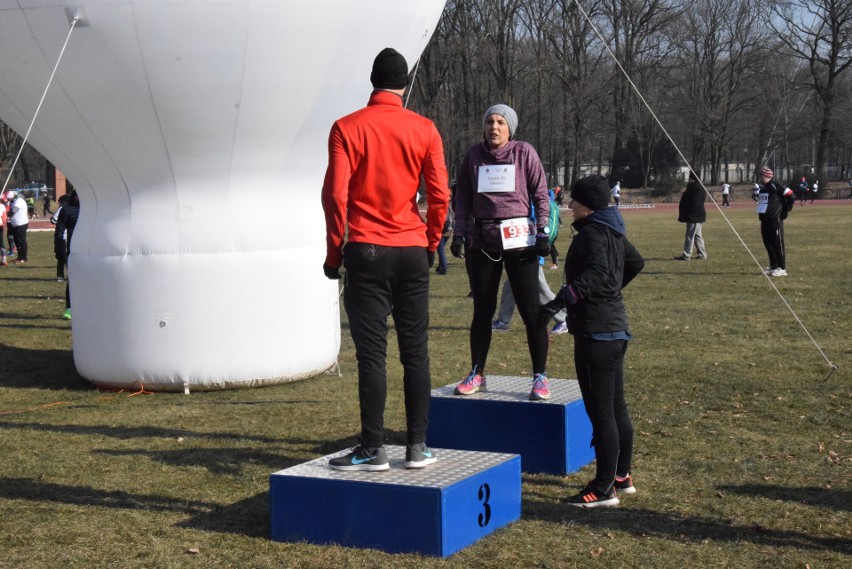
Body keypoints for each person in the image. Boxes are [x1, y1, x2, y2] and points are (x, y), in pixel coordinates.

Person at [321, 47, 449, 471]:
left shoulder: (346, 127)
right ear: (406, 85)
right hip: (411, 247)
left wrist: (334, 253)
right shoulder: (425, 129)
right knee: (416, 353)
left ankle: (373, 447)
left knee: (372, 356)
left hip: (366, 249)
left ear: (371, 81)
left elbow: (334, 197)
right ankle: (417, 446)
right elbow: (440, 196)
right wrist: (431, 244)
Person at [538, 174, 644, 508]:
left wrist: (560, 302)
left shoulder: (591, 235)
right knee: (616, 407)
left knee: (602, 414)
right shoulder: (613, 230)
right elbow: (635, 262)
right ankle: (621, 476)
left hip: (596, 333)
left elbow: (596, 273)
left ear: (588, 205)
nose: (569, 206)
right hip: (616, 329)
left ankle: (603, 488)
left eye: (574, 201)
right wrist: (611, 291)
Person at [450, 103, 552, 401]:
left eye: (500, 123)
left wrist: (543, 231)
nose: (493, 127)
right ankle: (476, 372)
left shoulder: (523, 152)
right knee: (482, 310)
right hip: (482, 239)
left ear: (510, 128)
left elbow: (540, 193)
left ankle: (539, 376)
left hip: (519, 238)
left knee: (530, 310)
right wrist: (458, 235)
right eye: (489, 122)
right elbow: (464, 198)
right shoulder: (473, 155)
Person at [492, 268, 568, 335]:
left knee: (541, 290)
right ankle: (502, 321)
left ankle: (563, 319)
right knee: (510, 286)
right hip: (516, 257)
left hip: (530, 258)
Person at [757, 166, 794, 277]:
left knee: (777, 244)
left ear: (766, 176)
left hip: (775, 219)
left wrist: (785, 211)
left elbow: (791, 196)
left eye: (761, 175)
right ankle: (774, 266)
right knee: (768, 244)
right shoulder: (763, 188)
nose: (760, 177)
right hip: (764, 219)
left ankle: (782, 268)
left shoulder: (777, 185)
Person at [56, 191, 80, 320]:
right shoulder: (66, 210)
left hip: (90, 250)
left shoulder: (91, 208)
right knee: (72, 279)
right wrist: (60, 251)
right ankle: (69, 307)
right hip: (73, 251)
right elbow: (59, 232)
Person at [674, 171, 708, 260]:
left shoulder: (692, 186)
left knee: (690, 235)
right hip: (700, 214)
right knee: (697, 235)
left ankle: (686, 255)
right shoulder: (701, 186)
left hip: (694, 215)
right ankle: (702, 254)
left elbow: (687, 200)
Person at [4, 191, 29, 264]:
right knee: (17, 241)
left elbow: (13, 211)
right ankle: (20, 257)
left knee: (21, 241)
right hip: (15, 224)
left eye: (8, 199)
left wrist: (5, 211)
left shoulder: (19, 201)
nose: (8, 200)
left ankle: (23, 258)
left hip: (20, 224)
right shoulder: (14, 201)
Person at [52, 194, 69, 281]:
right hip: (71, 236)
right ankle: (72, 275)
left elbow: (53, 220)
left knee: (61, 257)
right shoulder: (76, 208)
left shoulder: (62, 208)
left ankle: (60, 276)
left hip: (62, 236)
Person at [436, 193, 453, 275]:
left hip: (442, 232)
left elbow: (444, 221)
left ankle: (444, 268)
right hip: (448, 232)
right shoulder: (449, 208)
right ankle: (440, 267)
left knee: (440, 251)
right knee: (441, 249)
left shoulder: (443, 208)